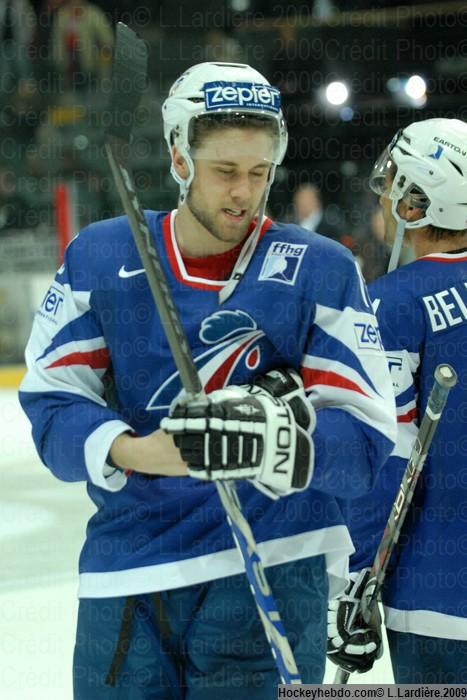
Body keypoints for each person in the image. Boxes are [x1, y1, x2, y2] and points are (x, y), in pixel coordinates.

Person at [19, 62, 396, 698]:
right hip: (132, 572)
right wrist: (138, 451)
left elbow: (365, 441)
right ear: (179, 158)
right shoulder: (102, 256)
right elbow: (52, 402)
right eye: (225, 170)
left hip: (276, 566)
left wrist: (275, 441)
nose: (244, 193)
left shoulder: (320, 268)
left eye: (260, 172)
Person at [327, 118, 467, 683]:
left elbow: (382, 462)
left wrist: (358, 575)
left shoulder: (391, 305)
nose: (382, 206)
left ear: (417, 205)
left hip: (439, 597)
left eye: (392, 192)